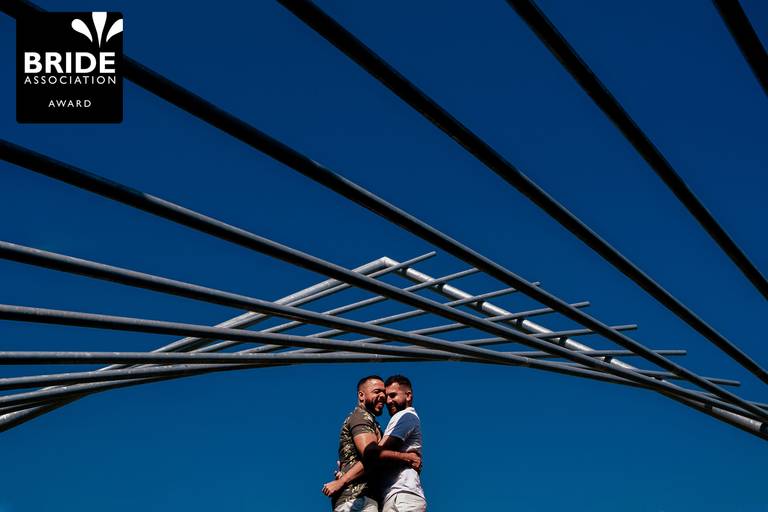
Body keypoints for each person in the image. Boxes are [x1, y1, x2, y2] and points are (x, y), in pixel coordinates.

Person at [324, 375, 426, 512]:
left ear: (408, 396)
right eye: (377, 392)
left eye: (387, 394)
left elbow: (375, 456)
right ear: (361, 395)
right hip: (358, 498)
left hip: (380, 498)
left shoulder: (402, 417)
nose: (385, 398)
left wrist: (344, 475)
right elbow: (372, 454)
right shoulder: (361, 416)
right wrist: (406, 457)